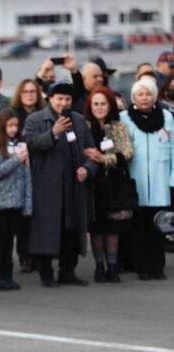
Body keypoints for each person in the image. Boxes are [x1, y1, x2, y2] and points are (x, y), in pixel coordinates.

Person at [24, 81, 98, 288]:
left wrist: (88, 168)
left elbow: (92, 151)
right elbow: (31, 145)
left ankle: (68, 272)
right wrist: (54, 132)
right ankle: (46, 273)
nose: (63, 103)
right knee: (47, 230)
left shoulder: (79, 121)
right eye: (59, 99)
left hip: (74, 185)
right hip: (47, 185)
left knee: (71, 230)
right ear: (50, 98)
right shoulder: (36, 119)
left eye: (67, 99)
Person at [120, 79, 174, 280]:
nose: (144, 98)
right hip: (136, 181)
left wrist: (173, 179)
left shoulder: (167, 117)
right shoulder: (125, 118)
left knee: (160, 225)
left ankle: (157, 267)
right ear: (133, 97)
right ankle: (141, 266)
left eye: (148, 94)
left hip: (161, 181)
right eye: (140, 94)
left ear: (154, 96)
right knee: (139, 227)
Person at [83, 87, 135, 283]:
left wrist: (105, 159)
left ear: (110, 105)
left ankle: (112, 267)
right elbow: (79, 149)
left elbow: (127, 152)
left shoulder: (118, 126)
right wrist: (89, 155)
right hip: (92, 183)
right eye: (95, 104)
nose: (99, 107)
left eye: (103, 103)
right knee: (96, 227)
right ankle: (98, 267)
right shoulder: (84, 125)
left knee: (112, 227)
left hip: (113, 182)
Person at [0, 109, 32, 290]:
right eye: (9, 125)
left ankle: (8, 275)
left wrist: (27, 203)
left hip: (16, 202)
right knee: (0, 241)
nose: (13, 129)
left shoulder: (20, 145)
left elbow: (27, 175)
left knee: (10, 241)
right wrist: (16, 160)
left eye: (15, 125)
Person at [10, 79, 45, 272]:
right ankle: (24, 255)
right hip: (20, 168)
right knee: (23, 216)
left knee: (39, 214)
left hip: (40, 168)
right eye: (25, 92)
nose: (30, 95)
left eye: (33, 91)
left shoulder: (44, 115)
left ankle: (38, 254)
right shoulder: (14, 114)